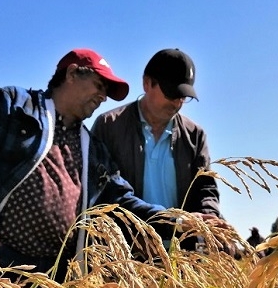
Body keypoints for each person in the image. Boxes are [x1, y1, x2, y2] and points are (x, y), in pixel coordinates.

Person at [0, 48, 182, 283]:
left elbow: (122, 202)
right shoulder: (14, 105)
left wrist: (179, 223)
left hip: (51, 276)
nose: (103, 97)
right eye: (99, 85)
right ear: (71, 74)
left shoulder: (93, 149)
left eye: (106, 92)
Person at [90, 48, 222, 237]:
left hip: (181, 253)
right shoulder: (109, 126)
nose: (177, 103)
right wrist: (170, 221)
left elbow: (205, 187)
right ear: (146, 83)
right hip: (125, 252)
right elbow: (104, 191)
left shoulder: (195, 135)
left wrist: (207, 218)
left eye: (183, 96)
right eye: (171, 93)